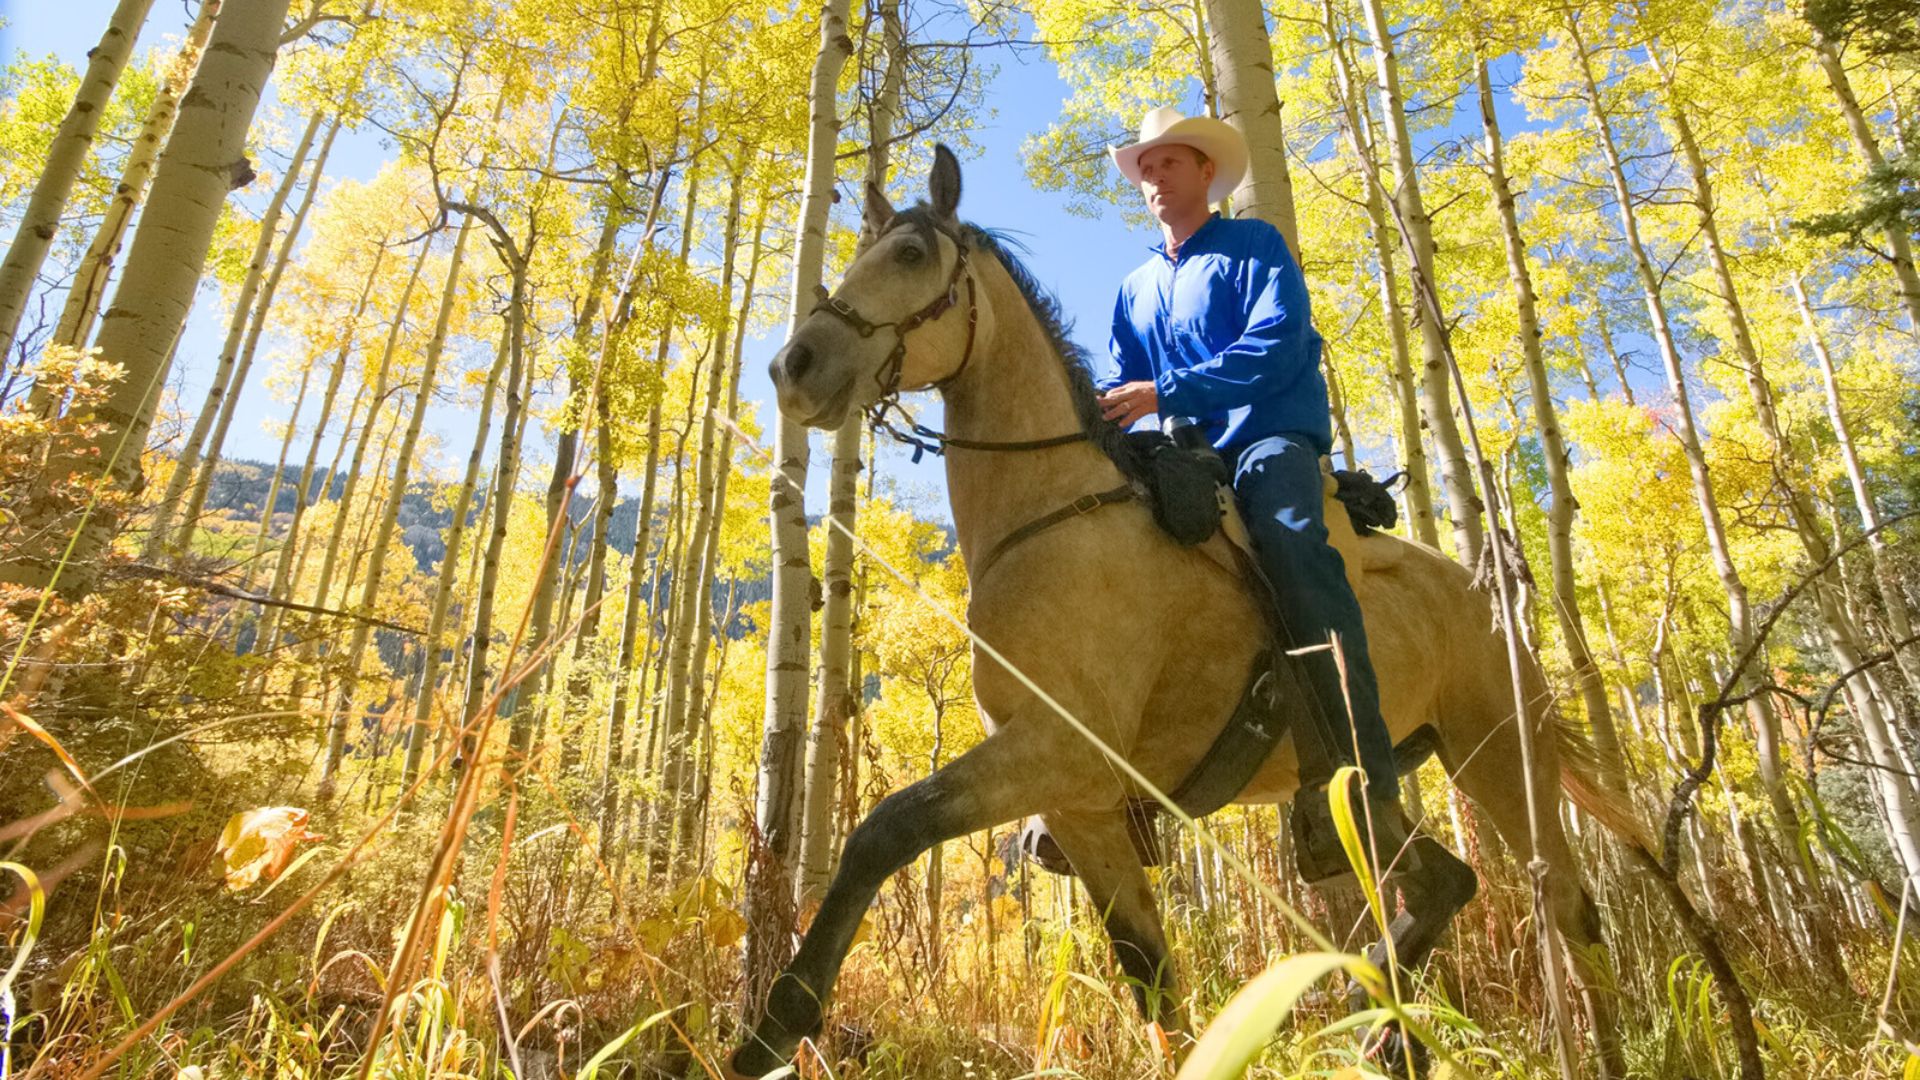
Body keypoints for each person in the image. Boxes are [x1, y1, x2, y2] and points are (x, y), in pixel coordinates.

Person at [1099, 106, 1412, 878]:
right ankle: (1117, 793)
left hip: (1268, 434)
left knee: (1293, 542)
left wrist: (1165, 390)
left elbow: (1275, 347)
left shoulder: (1255, 246)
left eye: (1169, 163)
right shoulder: (1134, 286)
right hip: (1180, 450)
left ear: (1207, 172)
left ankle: (1362, 777)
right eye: (1146, 168)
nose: (1153, 179)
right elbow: (1119, 382)